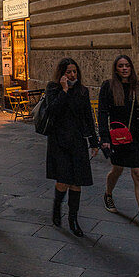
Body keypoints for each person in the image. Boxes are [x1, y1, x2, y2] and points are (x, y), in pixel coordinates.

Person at [98, 54, 139, 236]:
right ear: (116, 69)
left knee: (138, 174)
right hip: (119, 138)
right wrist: (104, 138)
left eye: (127, 65)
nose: (124, 68)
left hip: (137, 138)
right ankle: (108, 194)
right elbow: (102, 113)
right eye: (121, 66)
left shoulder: (138, 87)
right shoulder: (109, 87)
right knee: (117, 169)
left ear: (131, 68)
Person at [45, 58, 99, 237]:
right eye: (69, 72)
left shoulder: (83, 91)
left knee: (77, 181)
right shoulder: (53, 89)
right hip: (59, 141)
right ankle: (57, 207)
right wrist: (65, 90)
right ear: (62, 73)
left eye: (75, 71)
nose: (72, 75)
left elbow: (87, 117)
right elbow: (53, 109)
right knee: (63, 180)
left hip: (77, 141)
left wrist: (94, 142)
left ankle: (73, 219)